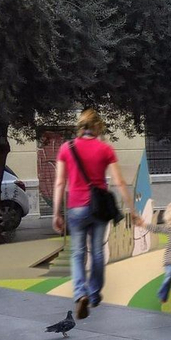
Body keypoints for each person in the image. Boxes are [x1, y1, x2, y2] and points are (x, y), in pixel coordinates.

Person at [52, 109, 133, 320]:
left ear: (81, 126)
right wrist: (132, 208)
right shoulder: (105, 149)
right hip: (99, 208)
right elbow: (119, 181)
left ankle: (80, 294)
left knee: (78, 253)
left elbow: (60, 182)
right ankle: (95, 293)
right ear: (98, 127)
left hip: (76, 207)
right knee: (97, 252)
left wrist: (56, 213)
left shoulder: (66, 148)